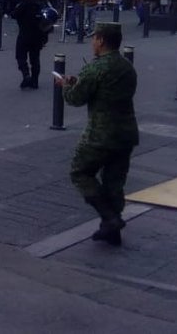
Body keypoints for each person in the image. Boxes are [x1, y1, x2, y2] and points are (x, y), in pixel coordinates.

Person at [55, 22, 138, 247]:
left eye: (94, 38)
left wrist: (65, 85)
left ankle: (109, 218)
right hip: (126, 132)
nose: (92, 42)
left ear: (101, 41)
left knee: (80, 172)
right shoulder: (126, 66)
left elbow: (75, 99)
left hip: (101, 134)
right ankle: (112, 230)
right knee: (114, 181)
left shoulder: (95, 68)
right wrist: (78, 82)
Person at [12, 0, 49, 89]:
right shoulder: (40, 3)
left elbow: (14, 14)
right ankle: (35, 81)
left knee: (20, 56)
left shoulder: (24, 3)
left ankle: (26, 75)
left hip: (24, 34)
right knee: (35, 59)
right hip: (38, 35)